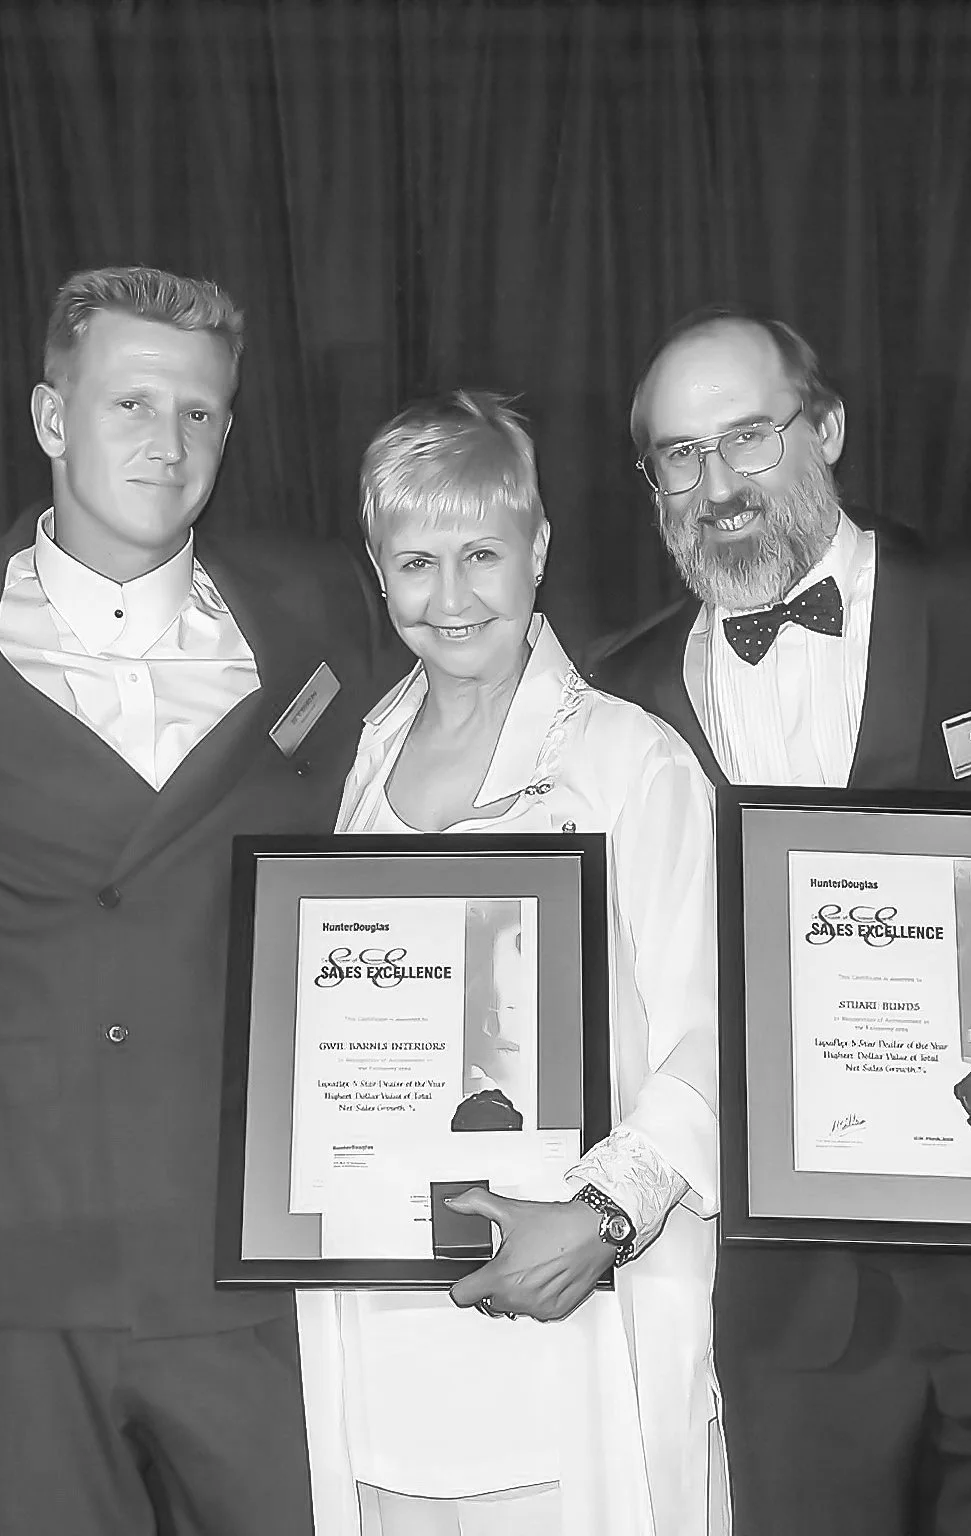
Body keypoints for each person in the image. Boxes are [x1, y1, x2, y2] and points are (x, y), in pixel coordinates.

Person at [0, 265, 391, 1535]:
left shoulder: (325, 614)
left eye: (198, 413)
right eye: (132, 403)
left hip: (263, 1266)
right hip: (22, 1268)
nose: (166, 441)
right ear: (50, 417)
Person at [587, 307, 971, 1535]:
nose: (715, 484)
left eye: (747, 437)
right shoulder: (619, 696)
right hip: (795, 1325)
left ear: (826, 426)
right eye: (677, 456)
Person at [296, 390, 725, 1536]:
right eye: (416, 560)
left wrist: (600, 1214)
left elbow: (717, 1032)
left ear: (537, 551)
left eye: (481, 553)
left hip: (576, 1308)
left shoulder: (630, 764)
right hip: (381, 1320)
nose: (450, 597)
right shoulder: (351, 765)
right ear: (376, 573)